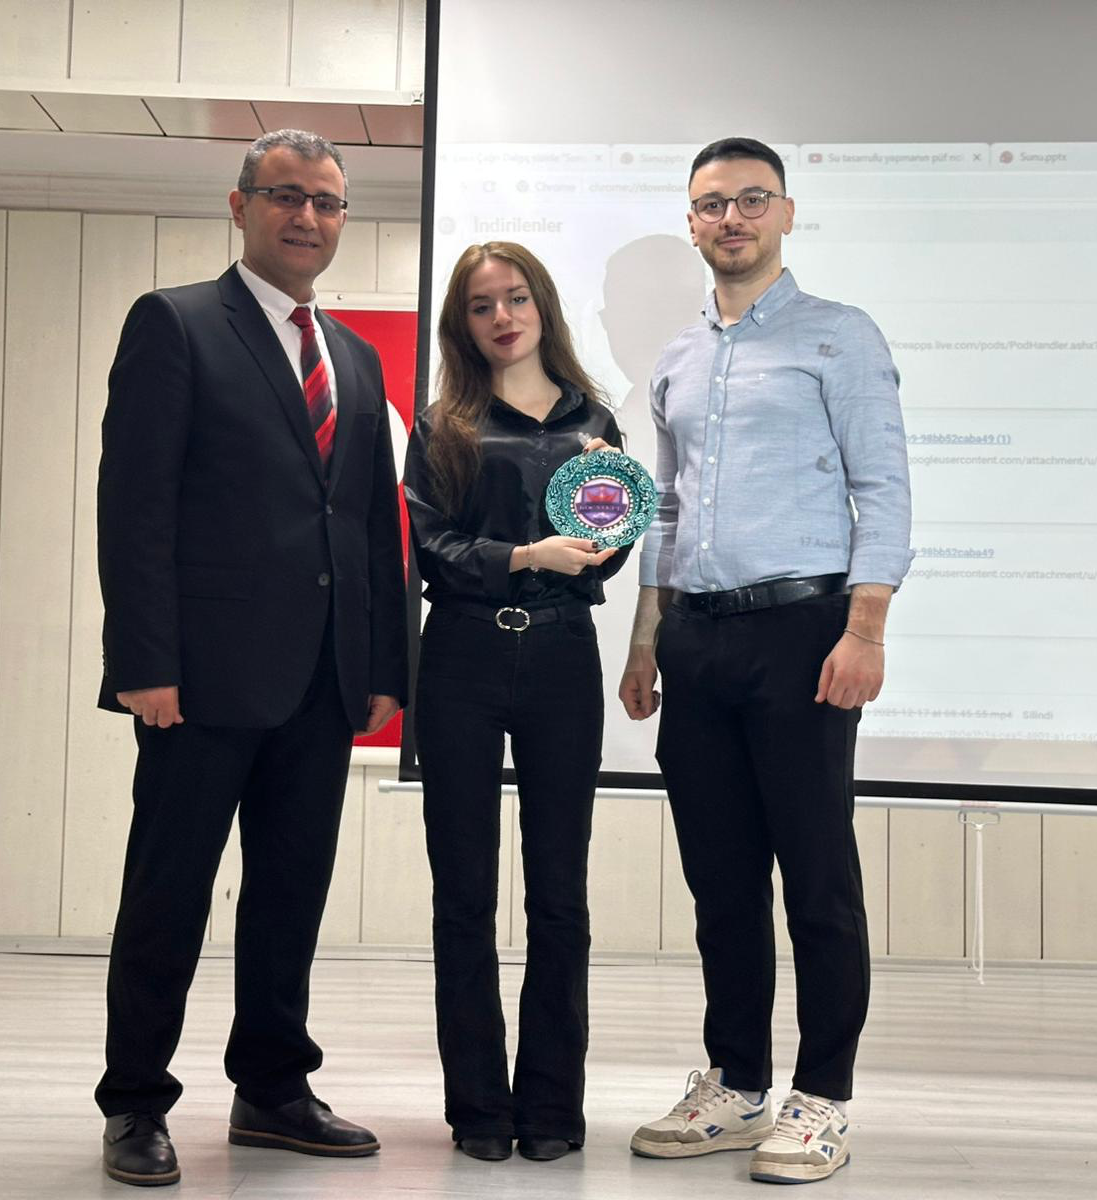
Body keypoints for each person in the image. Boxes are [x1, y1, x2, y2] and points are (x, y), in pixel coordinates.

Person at [93, 129, 409, 1188]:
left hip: (321, 680)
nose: (307, 216)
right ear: (241, 206)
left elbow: (366, 526)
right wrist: (144, 661)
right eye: (286, 195)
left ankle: (272, 1089)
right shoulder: (175, 323)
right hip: (198, 680)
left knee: (290, 894)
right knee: (168, 894)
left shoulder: (354, 357)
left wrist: (382, 665)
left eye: (326, 201)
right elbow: (134, 506)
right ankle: (135, 1102)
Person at [619, 137, 913, 1185]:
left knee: (817, 878)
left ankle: (821, 1096)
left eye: (751, 200)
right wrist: (645, 639)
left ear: (785, 213)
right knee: (720, 880)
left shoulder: (840, 336)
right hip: (696, 638)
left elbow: (882, 488)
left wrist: (865, 628)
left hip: (804, 634)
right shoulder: (675, 358)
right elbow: (664, 506)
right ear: (691, 221)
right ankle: (737, 1084)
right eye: (712, 204)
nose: (731, 218)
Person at [403, 242, 627, 1164]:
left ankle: (553, 1107)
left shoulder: (595, 421)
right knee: (463, 891)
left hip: (563, 655)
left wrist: (605, 511)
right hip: (461, 653)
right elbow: (429, 546)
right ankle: (478, 1110)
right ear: (463, 323)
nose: (503, 317)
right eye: (482, 304)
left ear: (544, 308)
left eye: (517, 298)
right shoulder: (444, 425)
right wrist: (527, 555)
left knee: (559, 893)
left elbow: (610, 545)